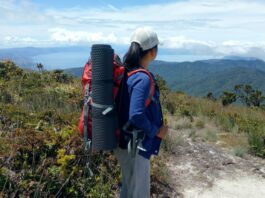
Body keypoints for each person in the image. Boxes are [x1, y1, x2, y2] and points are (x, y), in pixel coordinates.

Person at [114, 27, 169, 198]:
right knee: (139, 193)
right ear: (153, 52)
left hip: (124, 141)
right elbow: (136, 114)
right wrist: (156, 131)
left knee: (129, 188)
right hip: (135, 146)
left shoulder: (127, 72)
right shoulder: (143, 78)